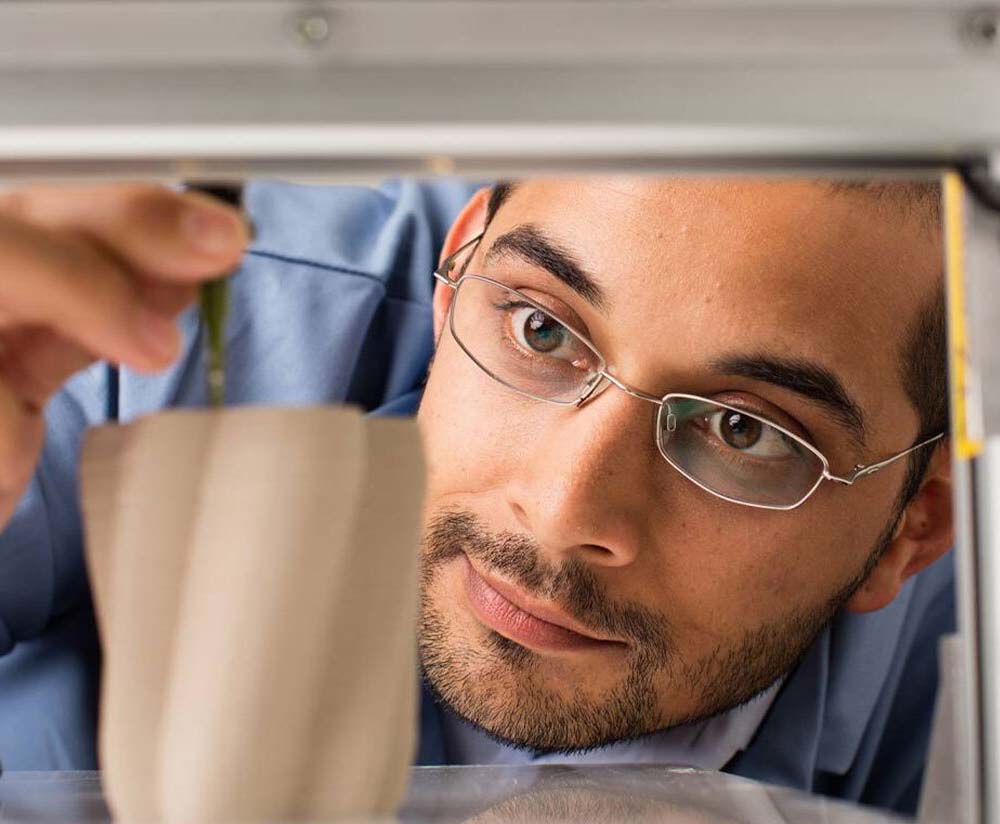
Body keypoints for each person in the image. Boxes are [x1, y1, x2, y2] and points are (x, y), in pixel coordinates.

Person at [0, 177, 953, 816]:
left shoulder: (971, 652)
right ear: (462, 261)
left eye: (747, 434)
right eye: (542, 332)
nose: (567, 509)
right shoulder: (175, 316)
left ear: (916, 529)